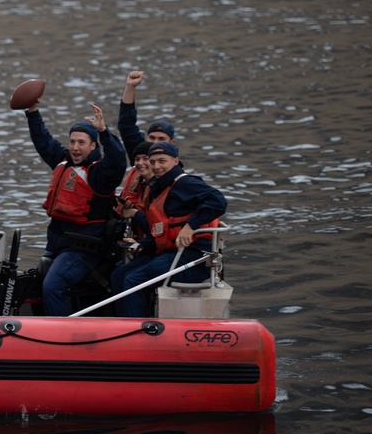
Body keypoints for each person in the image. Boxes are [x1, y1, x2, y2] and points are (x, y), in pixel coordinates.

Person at [25, 100, 127, 316]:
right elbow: (43, 141)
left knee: (52, 286)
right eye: (72, 142)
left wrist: (104, 132)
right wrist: (33, 112)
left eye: (81, 143)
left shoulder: (100, 174)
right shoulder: (63, 161)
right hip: (59, 243)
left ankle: (59, 335)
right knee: (36, 281)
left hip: (85, 248)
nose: (75, 147)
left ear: (93, 146)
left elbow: (118, 161)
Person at [112, 142, 227, 318]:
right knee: (120, 274)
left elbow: (218, 201)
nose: (157, 166)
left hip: (193, 256)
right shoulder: (157, 188)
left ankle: (139, 328)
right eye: (153, 162)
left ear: (175, 161)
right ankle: (122, 322)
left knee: (134, 279)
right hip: (171, 252)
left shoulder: (185, 183)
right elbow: (161, 229)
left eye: (162, 161)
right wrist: (141, 244)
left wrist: (190, 226)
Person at [118, 70, 178, 164]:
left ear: (172, 142)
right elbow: (126, 125)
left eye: (161, 139)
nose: (155, 143)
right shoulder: (139, 153)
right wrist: (130, 87)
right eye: (152, 138)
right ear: (145, 139)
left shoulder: (173, 166)